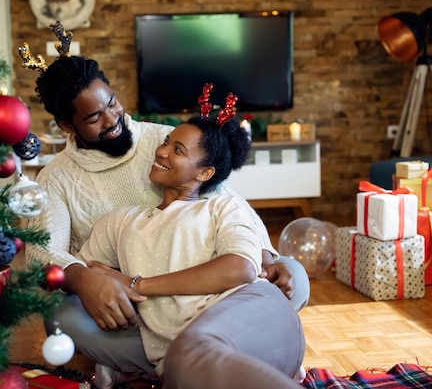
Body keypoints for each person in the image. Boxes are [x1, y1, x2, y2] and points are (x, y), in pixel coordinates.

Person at [22, 44, 310, 386]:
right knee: (61, 317)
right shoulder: (58, 180)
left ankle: (152, 365)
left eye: (111, 103)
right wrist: (84, 279)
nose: (112, 120)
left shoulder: (162, 137)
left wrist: (261, 253)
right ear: (67, 125)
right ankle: (221, 353)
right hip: (132, 306)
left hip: (207, 279)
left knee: (292, 276)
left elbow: (225, 198)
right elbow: (41, 252)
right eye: (94, 117)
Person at [75, 113, 305, 388]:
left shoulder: (222, 207)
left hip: (255, 314)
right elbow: (79, 269)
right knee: (180, 367)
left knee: (189, 357)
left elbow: (241, 268)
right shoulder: (121, 221)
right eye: (166, 142)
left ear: (204, 173)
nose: (161, 151)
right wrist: (96, 281)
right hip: (184, 356)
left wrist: (137, 284)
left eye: (178, 150)